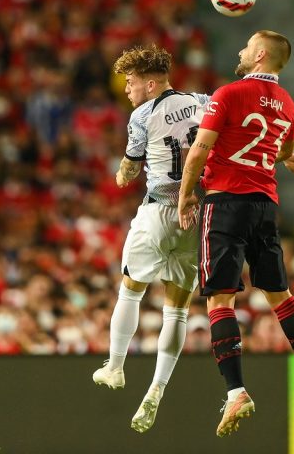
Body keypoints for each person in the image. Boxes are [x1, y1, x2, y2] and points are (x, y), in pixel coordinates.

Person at [177, 30, 294, 437]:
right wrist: (284, 158)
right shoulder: (289, 105)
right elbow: (281, 151)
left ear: (260, 55)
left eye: (246, 46)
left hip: (225, 203)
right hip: (264, 206)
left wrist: (185, 194)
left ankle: (236, 392)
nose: (241, 51)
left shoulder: (227, 94)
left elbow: (200, 150)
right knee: (279, 294)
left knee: (220, 298)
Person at [92, 44, 211, 433]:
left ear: (151, 83)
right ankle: (157, 387)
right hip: (195, 214)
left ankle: (115, 366)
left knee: (130, 291)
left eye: (131, 82)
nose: (127, 90)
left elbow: (130, 167)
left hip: (159, 209)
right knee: (177, 310)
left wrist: (121, 174)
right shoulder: (202, 102)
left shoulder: (143, 114)